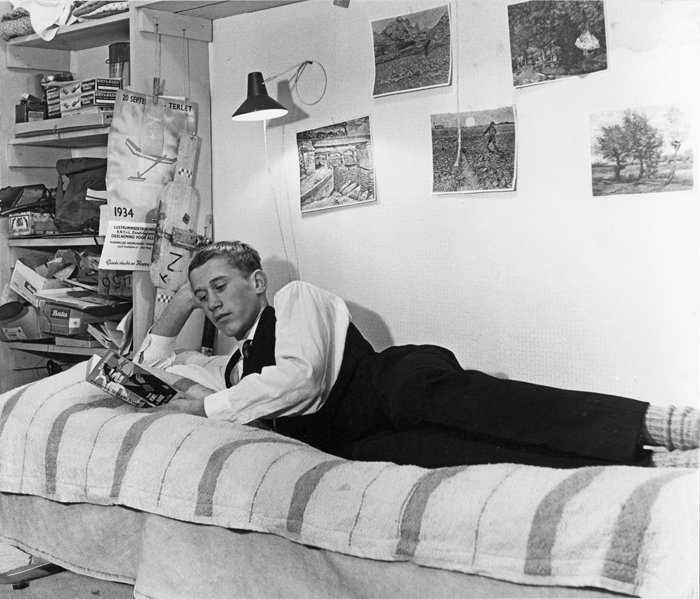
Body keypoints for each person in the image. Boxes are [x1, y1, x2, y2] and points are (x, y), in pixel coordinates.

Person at [135, 241, 699, 469]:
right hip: (358, 439)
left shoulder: (293, 299)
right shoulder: (231, 369)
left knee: (478, 405)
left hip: (390, 382)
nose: (213, 303)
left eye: (220, 287)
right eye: (203, 297)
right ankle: (654, 464)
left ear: (257, 281)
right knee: (474, 455)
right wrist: (183, 298)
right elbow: (149, 368)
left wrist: (205, 407)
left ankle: (664, 424)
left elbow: (301, 378)